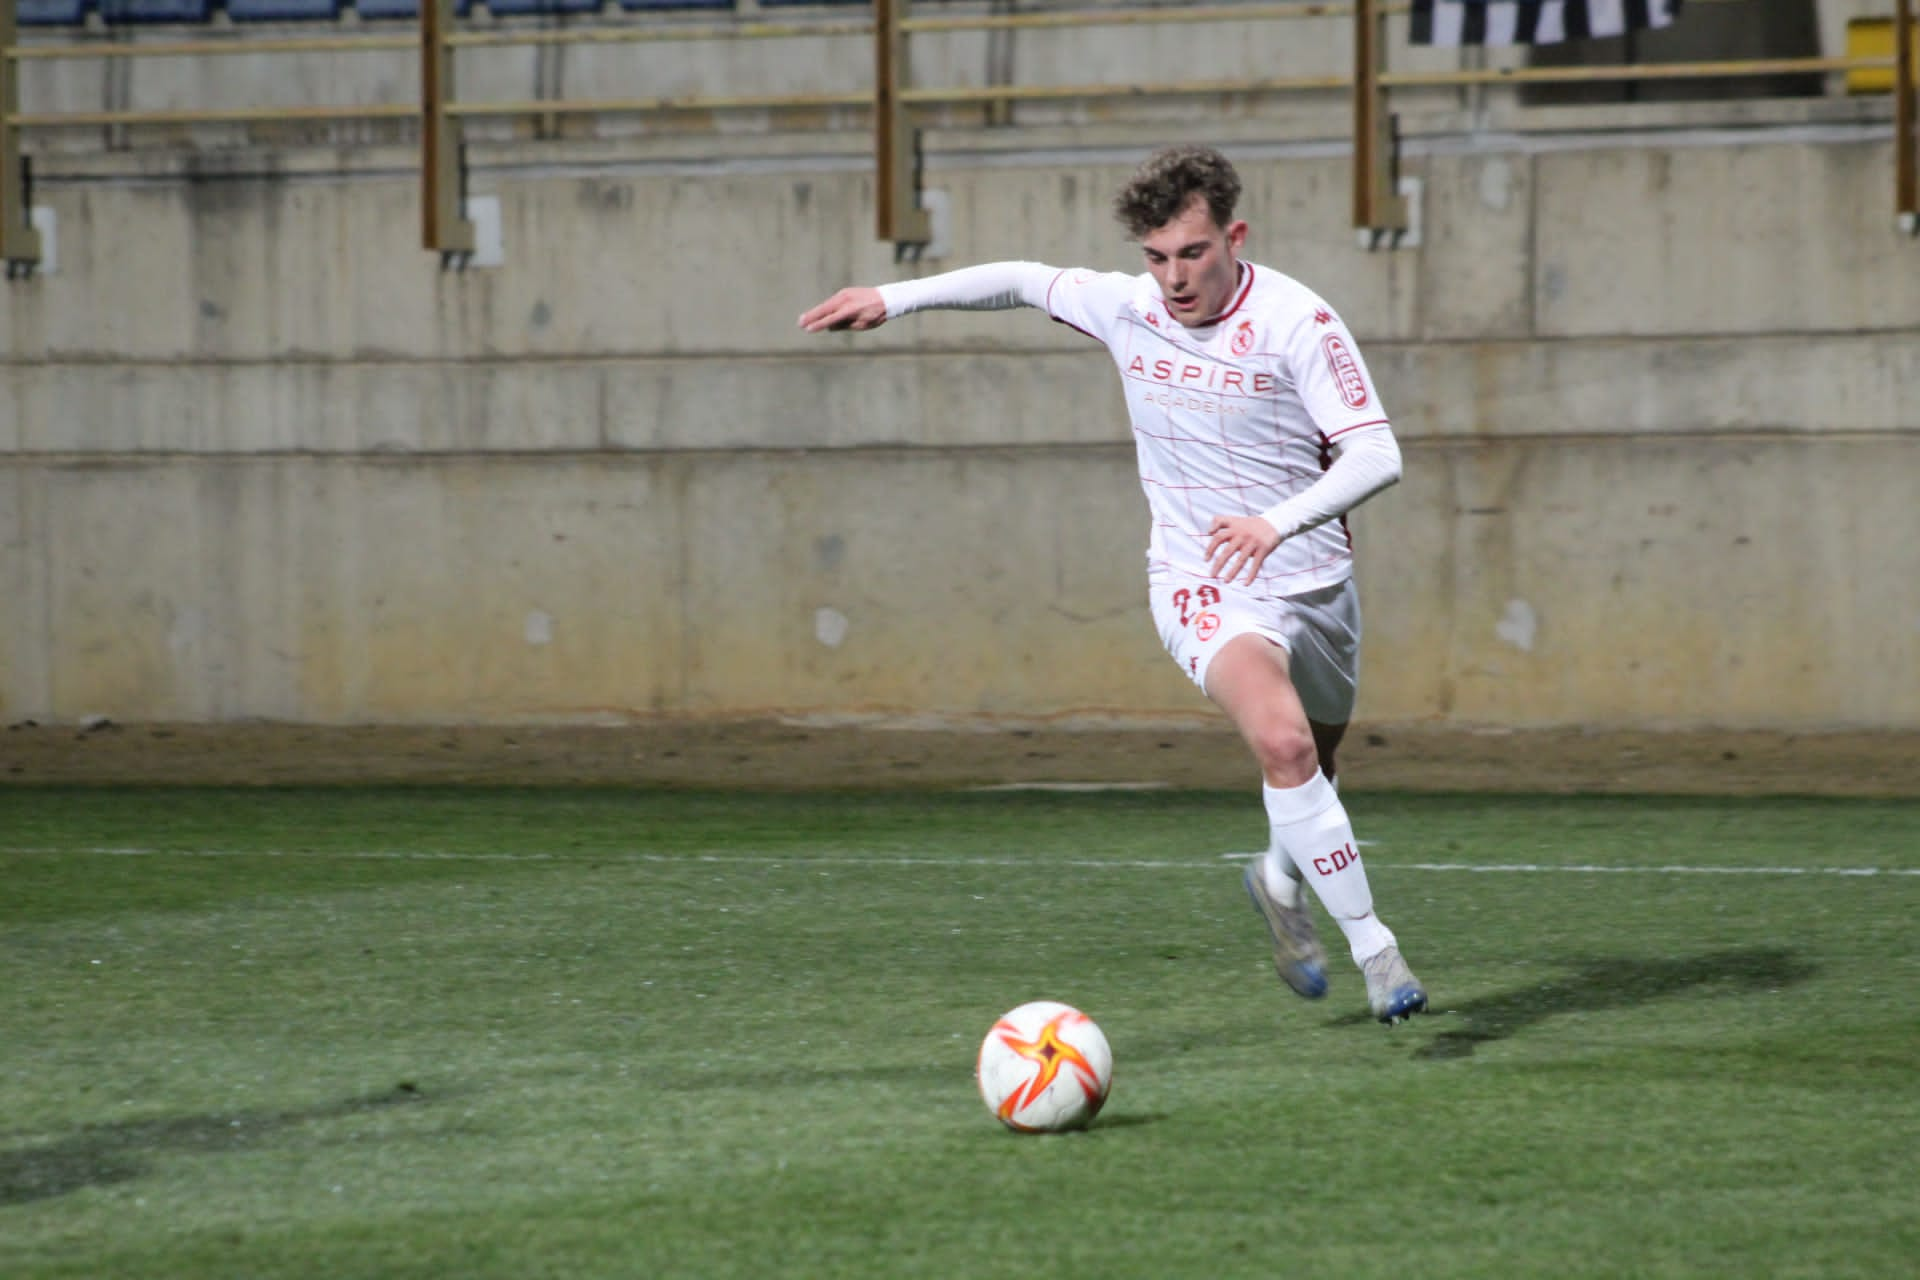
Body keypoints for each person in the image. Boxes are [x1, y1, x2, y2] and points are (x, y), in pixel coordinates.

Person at [798, 144, 1427, 1026]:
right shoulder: (1129, 308)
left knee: (1315, 764)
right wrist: (890, 298)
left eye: (1193, 253)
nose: (1173, 278)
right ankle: (1378, 953)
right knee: (1283, 747)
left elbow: (1377, 453)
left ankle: (1278, 878)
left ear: (1234, 237)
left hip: (1314, 582)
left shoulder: (1298, 323)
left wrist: (1275, 523)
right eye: (1157, 256)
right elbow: (1021, 278)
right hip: (1199, 580)